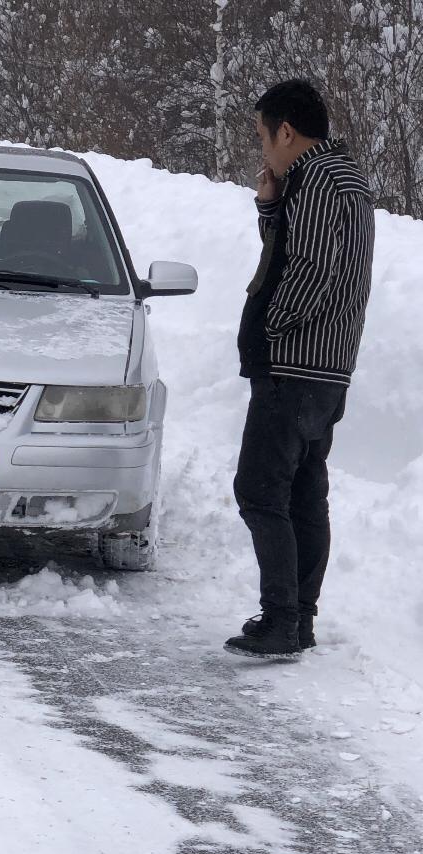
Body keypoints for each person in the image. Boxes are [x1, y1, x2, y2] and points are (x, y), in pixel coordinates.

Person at [225, 79, 374, 659]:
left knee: (261, 490)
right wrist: (271, 204)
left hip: (293, 361)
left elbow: (309, 266)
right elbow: (295, 248)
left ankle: (282, 618)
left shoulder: (315, 178)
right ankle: (300, 618)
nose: (263, 151)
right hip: (330, 365)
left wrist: (274, 326)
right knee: (305, 493)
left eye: (264, 137)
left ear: (287, 131)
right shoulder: (346, 178)